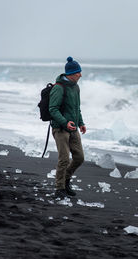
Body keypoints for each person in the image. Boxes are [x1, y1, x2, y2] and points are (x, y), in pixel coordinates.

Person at [49, 56, 86, 198]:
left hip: (73, 128)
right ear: (71, 74)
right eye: (78, 73)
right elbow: (53, 109)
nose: (81, 75)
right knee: (64, 159)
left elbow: (77, 108)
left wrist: (80, 123)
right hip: (60, 128)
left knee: (79, 157)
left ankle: (66, 180)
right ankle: (59, 189)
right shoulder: (58, 88)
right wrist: (65, 122)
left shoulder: (76, 87)